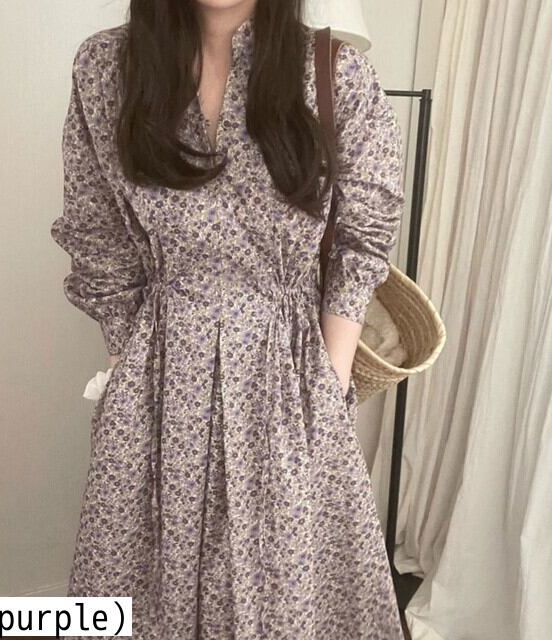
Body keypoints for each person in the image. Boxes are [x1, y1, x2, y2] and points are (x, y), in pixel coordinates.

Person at [50, 0, 406, 637]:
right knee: (144, 596)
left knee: (284, 598)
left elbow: (364, 235)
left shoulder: (334, 74)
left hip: (290, 381)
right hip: (158, 379)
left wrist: (328, 384)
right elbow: (97, 235)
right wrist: (126, 378)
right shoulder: (106, 68)